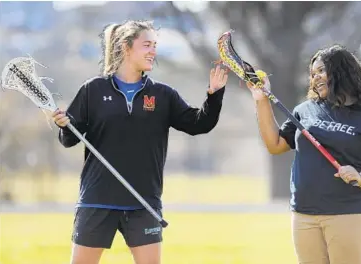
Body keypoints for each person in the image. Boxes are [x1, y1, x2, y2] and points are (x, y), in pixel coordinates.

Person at [51, 20, 228, 264]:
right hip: (97, 200)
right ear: (126, 47)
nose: (153, 51)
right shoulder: (92, 90)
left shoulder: (163, 95)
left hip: (143, 201)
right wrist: (64, 126)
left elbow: (199, 124)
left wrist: (214, 95)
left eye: (155, 45)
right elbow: (69, 139)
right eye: (147, 45)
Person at [246, 44, 361, 264]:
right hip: (304, 214)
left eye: (321, 71)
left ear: (342, 71)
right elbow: (275, 145)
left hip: (348, 214)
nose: (315, 78)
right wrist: (261, 99)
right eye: (312, 74)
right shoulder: (305, 110)